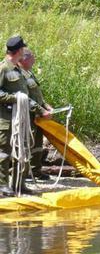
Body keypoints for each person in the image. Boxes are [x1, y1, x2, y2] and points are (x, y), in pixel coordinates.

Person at [0, 36, 49, 196]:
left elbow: (26, 96)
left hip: (22, 119)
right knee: (4, 153)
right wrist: (15, 98)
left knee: (23, 151)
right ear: (19, 51)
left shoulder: (19, 70)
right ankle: (2, 186)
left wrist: (41, 110)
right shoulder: (3, 69)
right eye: (23, 50)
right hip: (6, 119)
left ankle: (19, 185)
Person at [18, 48, 53, 180]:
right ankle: (23, 172)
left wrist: (45, 105)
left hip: (37, 115)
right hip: (26, 115)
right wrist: (41, 110)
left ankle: (35, 170)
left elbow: (36, 94)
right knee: (26, 143)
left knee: (37, 143)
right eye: (32, 57)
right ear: (25, 58)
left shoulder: (29, 73)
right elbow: (26, 98)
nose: (34, 60)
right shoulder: (18, 74)